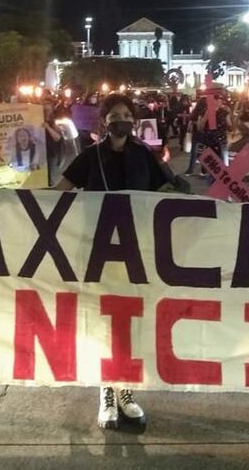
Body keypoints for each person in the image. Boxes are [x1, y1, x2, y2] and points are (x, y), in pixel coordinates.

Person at [54, 94, 179, 431]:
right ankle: (106, 390)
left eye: (125, 114)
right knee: (103, 322)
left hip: (136, 251)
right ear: (104, 121)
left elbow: (168, 194)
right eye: (113, 114)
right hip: (98, 252)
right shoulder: (90, 156)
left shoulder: (145, 156)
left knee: (131, 321)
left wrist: (209, 203)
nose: (120, 119)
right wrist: (16, 198)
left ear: (134, 121)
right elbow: (58, 190)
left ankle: (126, 388)